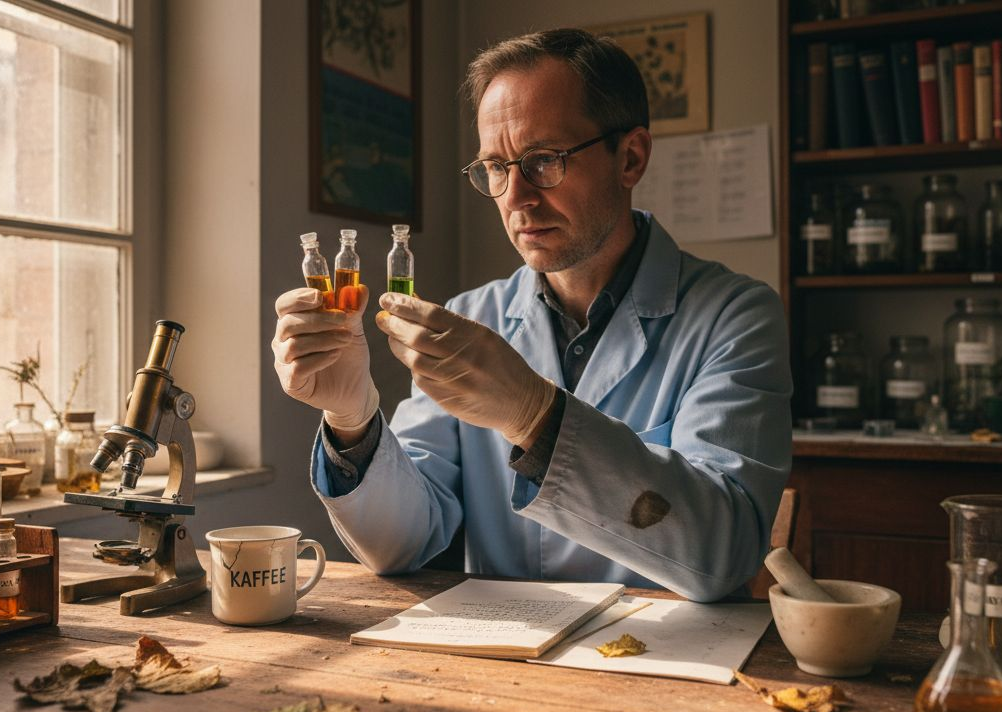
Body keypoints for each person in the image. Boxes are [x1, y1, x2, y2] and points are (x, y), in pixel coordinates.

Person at [271, 28, 791, 602]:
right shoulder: (473, 316)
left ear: (631, 158)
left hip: (668, 651)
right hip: (504, 648)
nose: (515, 196)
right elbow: (405, 543)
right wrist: (352, 420)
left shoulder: (736, 316)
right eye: (496, 167)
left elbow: (726, 552)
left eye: (544, 160)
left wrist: (533, 415)